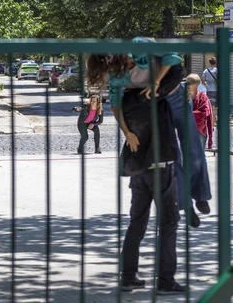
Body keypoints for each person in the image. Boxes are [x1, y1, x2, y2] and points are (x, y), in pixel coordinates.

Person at [86, 54, 184, 295]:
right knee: (169, 221)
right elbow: (177, 70)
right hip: (160, 164)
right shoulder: (153, 96)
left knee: (137, 223)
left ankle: (128, 277)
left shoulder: (125, 100)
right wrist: (157, 67)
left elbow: (115, 107)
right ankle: (165, 280)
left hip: (137, 168)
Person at [89, 39, 212, 227]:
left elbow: (172, 57)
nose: (117, 70)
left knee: (194, 150)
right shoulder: (117, 74)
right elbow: (115, 105)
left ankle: (200, 195)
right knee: (174, 157)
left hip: (174, 95)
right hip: (157, 106)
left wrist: (156, 81)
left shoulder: (139, 45)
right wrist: (127, 132)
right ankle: (186, 205)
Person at [185, 74, 213, 152]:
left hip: (200, 131)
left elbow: (205, 112)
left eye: (190, 82)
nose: (188, 84)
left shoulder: (203, 97)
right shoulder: (183, 97)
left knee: (200, 157)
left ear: (197, 84)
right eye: (187, 82)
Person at [201, 58, 218, 123]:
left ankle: (211, 124)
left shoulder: (206, 71)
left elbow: (202, 81)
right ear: (215, 63)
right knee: (216, 107)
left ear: (210, 63)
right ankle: (214, 121)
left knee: (211, 107)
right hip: (217, 91)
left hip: (209, 91)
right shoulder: (217, 70)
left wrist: (206, 86)